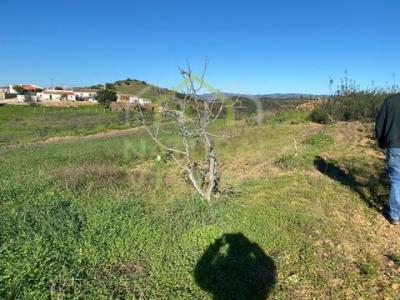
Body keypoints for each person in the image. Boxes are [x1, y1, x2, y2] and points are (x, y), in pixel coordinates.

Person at [376, 93, 400, 224]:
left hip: (395, 146)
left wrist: (381, 141)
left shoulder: (390, 100)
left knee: (396, 181)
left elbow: (380, 123)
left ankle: (395, 216)